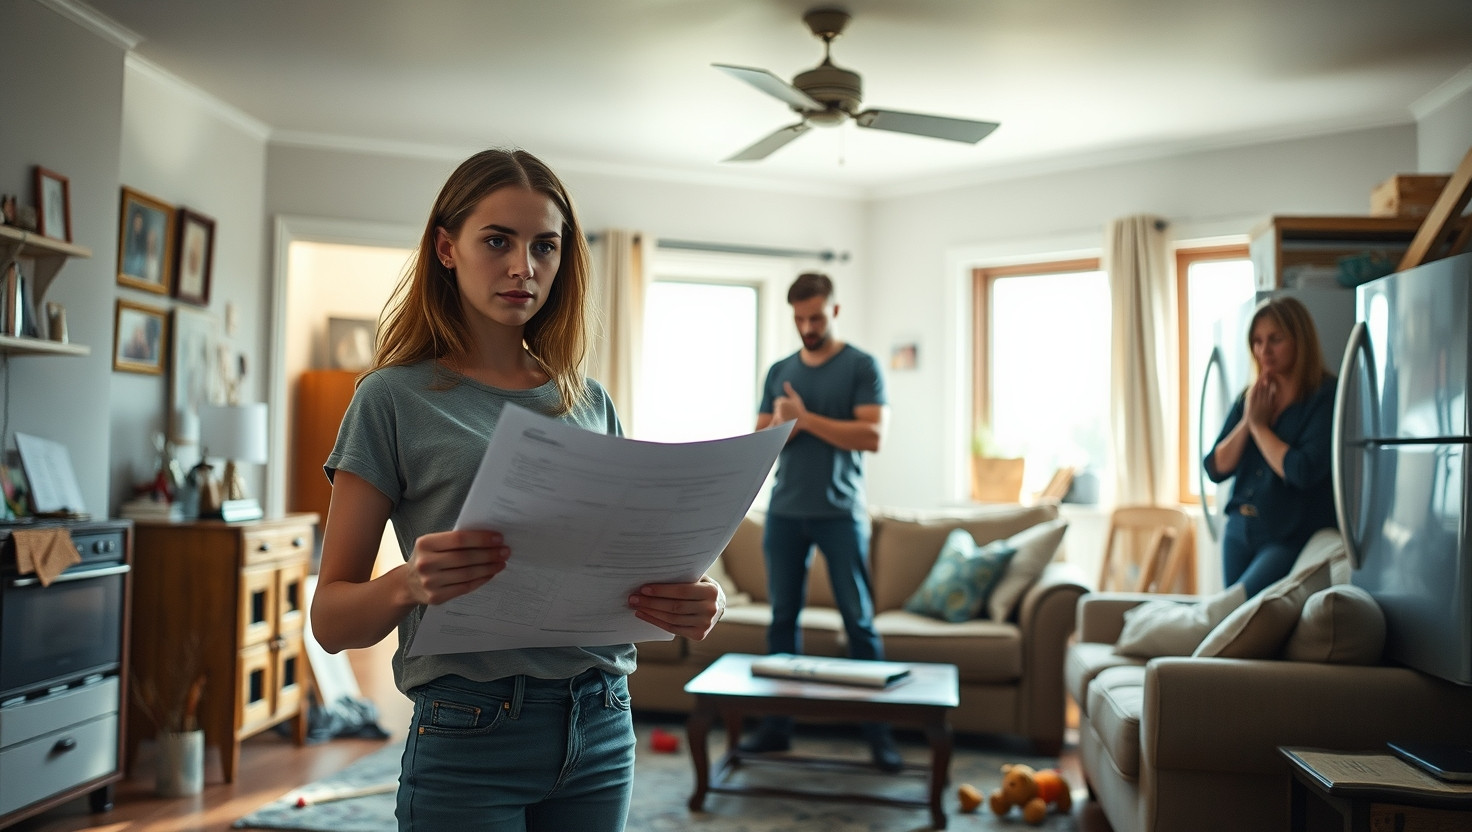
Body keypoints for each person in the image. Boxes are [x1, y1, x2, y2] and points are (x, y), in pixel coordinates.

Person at [310, 148, 725, 832]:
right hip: (468, 730)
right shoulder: (390, 398)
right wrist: (409, 584)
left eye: (545, 247)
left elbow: (616, 574)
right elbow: (330, 622)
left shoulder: (589, 401)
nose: (523, 267)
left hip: (603, 723)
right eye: (497, 241)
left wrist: (687, 601)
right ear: (447, 248)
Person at [740, 272, 902, 772]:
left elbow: (873, 436)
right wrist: (784, 423)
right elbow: (760, 439)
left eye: (815, 316)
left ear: (834, 311)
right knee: (781, 620)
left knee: (859, 621)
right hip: (785, 512)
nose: (807, 326)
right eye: (799, 318)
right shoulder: (779, 370)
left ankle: (879, 734)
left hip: (840, 514)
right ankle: (776, 728)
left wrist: (805, 419)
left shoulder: (861, 366)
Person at [1204, 296, 1337, 598]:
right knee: (1235, 625)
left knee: (1238, 610)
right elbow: (1215, 467)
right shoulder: (1250, 397)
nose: (1264, 350)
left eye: (1275, 339)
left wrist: (1261, 428)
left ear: (1299, 340)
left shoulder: (1325, 396)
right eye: (1257, 341)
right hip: (1237, 531)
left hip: (1286, 535)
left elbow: (1302, 471)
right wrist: (1249, 420)